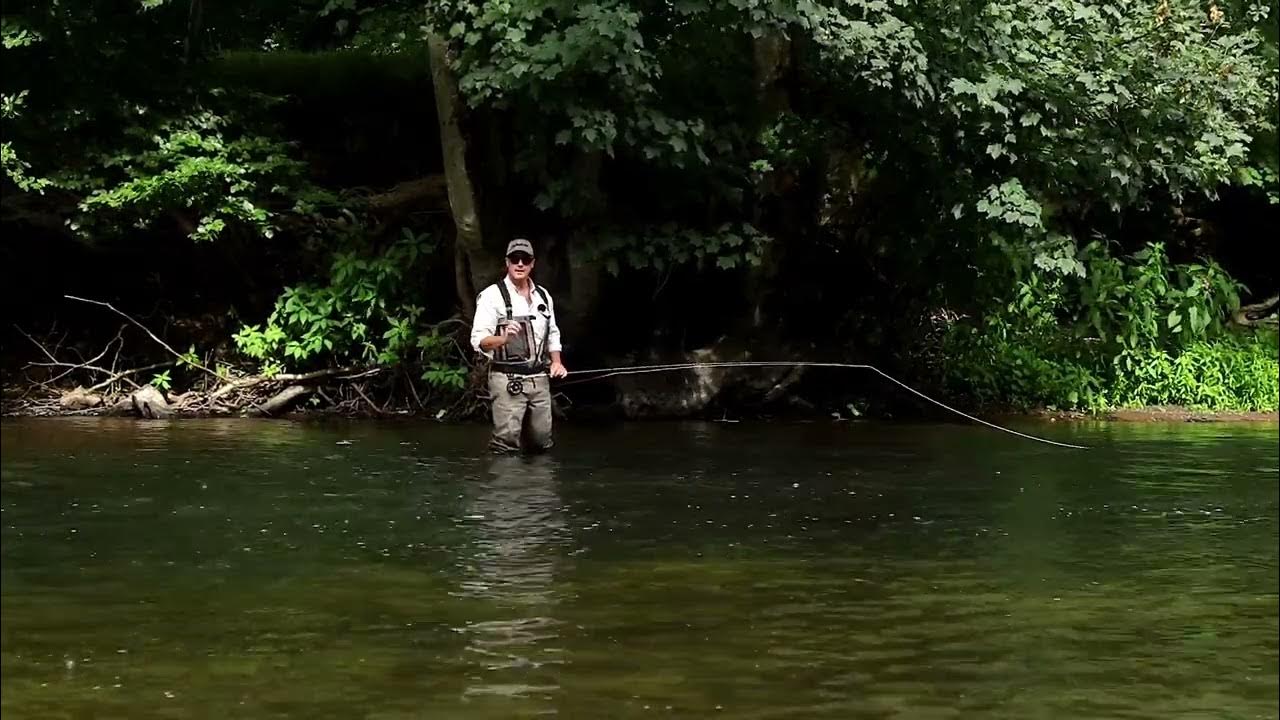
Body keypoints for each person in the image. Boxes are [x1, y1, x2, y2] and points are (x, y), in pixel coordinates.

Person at [470, 238, 568, 453]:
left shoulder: (543, 295)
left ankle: (537, 485)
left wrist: (557, 362)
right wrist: (502, 339)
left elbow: (553, 332)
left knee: (542, 442)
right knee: (506, 443)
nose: (520, 263)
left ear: (533, 263)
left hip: (539, 379)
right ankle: (505, 485)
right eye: (515, 259)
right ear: (507, 262)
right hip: (506, 379)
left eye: (525, 259)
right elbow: (478, 340)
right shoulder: (491, 296)